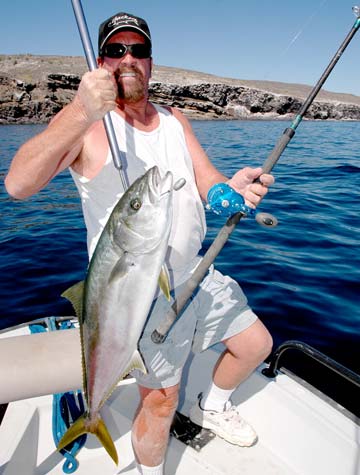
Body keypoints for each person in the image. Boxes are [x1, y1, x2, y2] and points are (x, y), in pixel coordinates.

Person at [5, 12, 274, 475]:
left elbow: (203, 174)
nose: (128, 58)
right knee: (161, 400)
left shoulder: (175, 119)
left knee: (256, 344)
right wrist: (80, 110)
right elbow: (18, 184)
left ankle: (213, 406)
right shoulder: (89, 129)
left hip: (196, 273)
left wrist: (225, 191)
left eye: (138, 50)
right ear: (100, 61)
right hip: (135, 295)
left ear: (151, 61)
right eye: (115, 50)